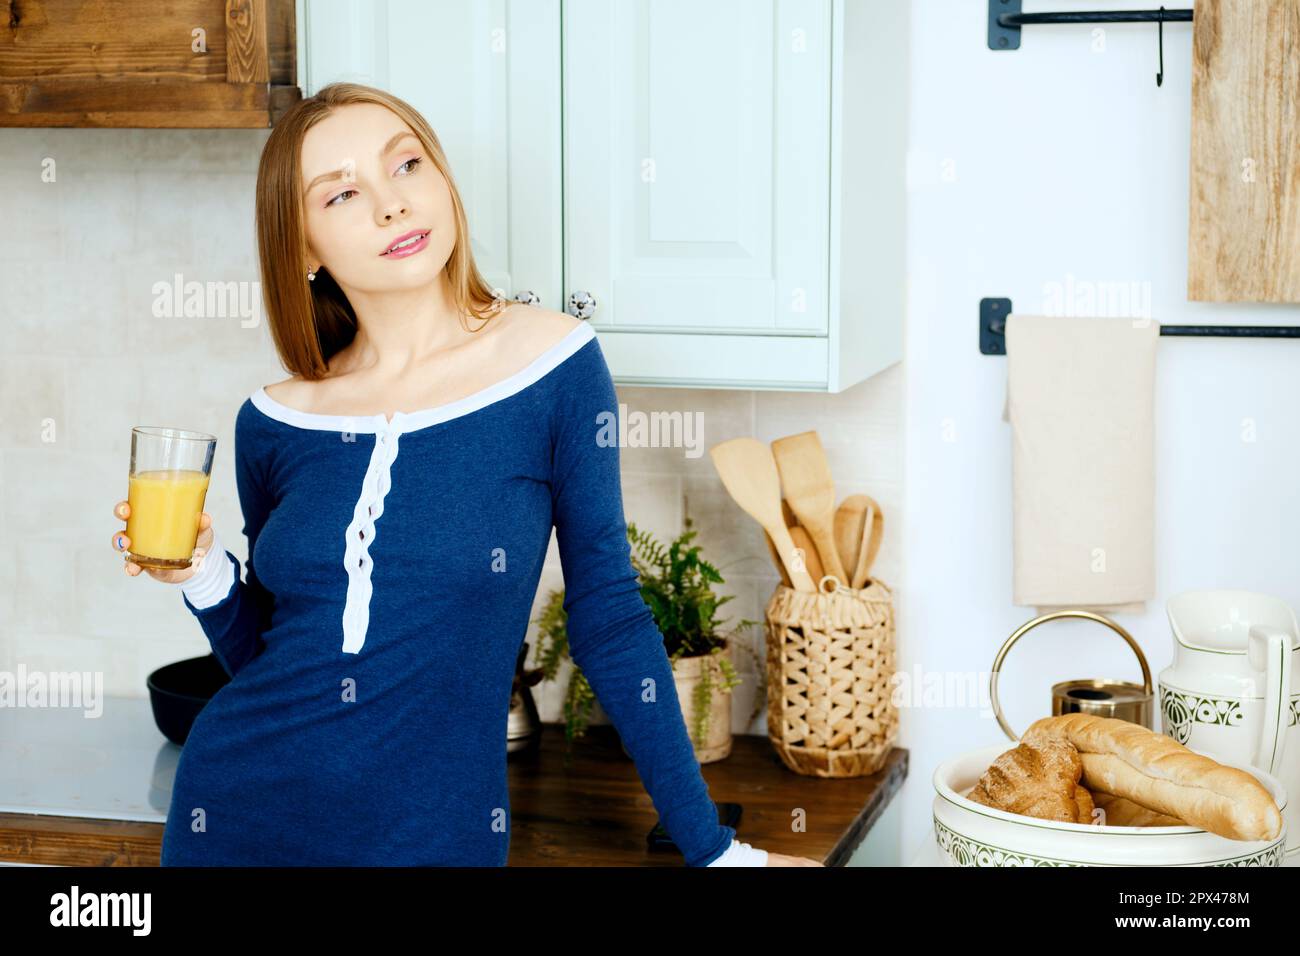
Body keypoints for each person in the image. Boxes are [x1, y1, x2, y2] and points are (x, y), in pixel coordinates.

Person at [112, 82, 820, 868]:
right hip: (237, 813)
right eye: (343, 193)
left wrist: (717, 853)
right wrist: (204, 571)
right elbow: (275, 658)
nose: (392, 205)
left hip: (434, 834)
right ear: (303, 245)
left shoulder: (552, 365)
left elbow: (610, 619)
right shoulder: (275, 420)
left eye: (406, 165)